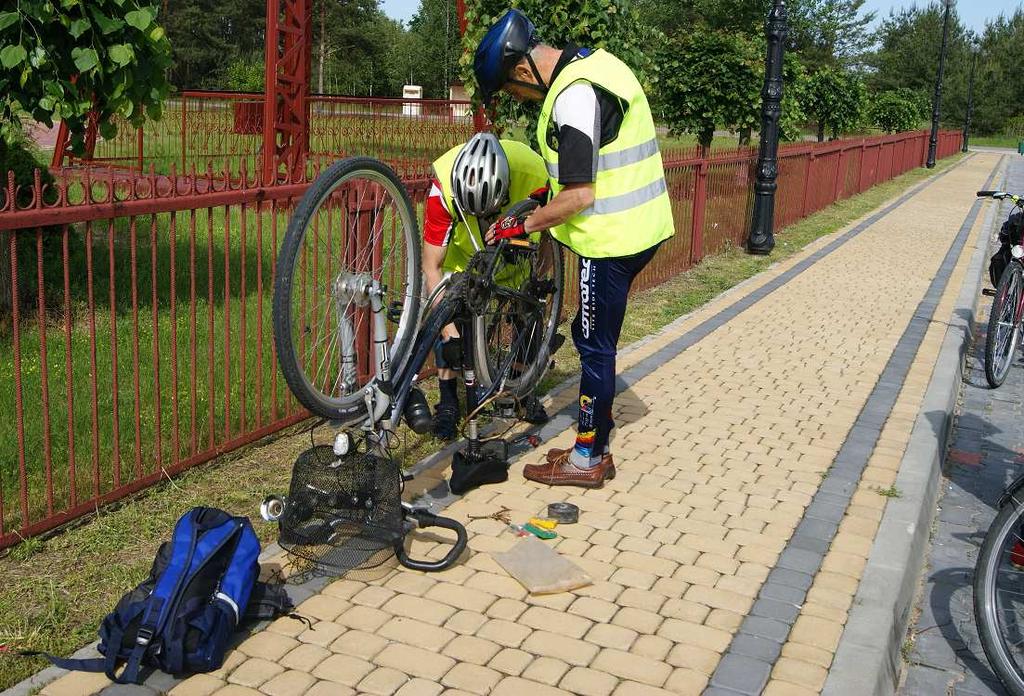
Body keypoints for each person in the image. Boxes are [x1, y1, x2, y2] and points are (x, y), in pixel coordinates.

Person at [474, 9, 675, 488]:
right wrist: (542, 202)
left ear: (523, 70)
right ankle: (593, 439)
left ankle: (588, 458)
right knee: (597, 342)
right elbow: (590, 166)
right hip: (639, 227)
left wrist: (520, 223)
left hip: (610, 239)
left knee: (593, 347)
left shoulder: (573, 96)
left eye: (512, 91)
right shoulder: (597, 65)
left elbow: (581, 195)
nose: (520, 99)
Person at [423, 131, 553, 440]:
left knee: (527, 314)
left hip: (517, 255)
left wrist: (540, 277)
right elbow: (431, 266)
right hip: (462, 258)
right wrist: (447, 333)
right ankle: (449, 402)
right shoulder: (443, 187)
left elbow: (551, 233)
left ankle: (522, 392)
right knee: (451, 321)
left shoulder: (537, 175)